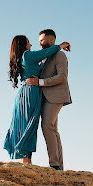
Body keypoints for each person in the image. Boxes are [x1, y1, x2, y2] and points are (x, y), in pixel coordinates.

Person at [4, 35, 71, 165]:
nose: (32, 44)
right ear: (23, 45)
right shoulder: (27, 55)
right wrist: (61, 45)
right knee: (28, 126)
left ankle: (29, 161)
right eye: (29, 42)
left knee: (30, 126)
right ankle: (27, 161)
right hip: (29, 93)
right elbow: (45, 52)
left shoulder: (28, 57)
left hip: (31, 92)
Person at [26, 29, 72, 170]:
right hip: (44, 97)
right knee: (53, 129)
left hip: (56, 96)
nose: (39, 43)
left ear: (51, 40)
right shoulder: (45, 56)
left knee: (47, 126)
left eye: (42, 40)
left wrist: (39, 82)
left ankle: (54, 164)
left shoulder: (60, 55)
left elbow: (62, 77)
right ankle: (58, 165)